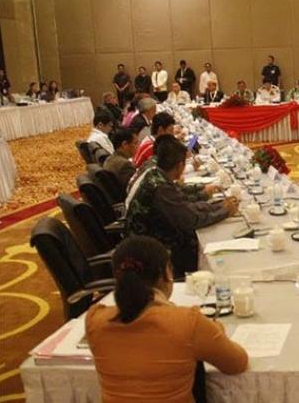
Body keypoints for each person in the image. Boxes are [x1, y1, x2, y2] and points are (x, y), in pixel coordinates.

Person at [85, 236, 248, 403]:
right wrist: (216, 329)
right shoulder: (188, 322)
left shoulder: (94, 319)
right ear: (166, 273)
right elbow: (237, 363)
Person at [126, 135, 236, 276]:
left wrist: (219, 205)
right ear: (180, 165)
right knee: (212, 245)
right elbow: (190, 220)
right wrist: (224, 211)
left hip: (148, 241)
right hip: (151, 252)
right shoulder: (160, 187)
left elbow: (183, 203)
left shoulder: (156, 174)